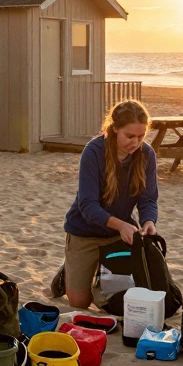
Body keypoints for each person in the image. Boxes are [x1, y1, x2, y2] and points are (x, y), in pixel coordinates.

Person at [50, 99, 160, 309]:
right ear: (115, 128)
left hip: (117, 238)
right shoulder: (93, 152)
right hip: (84, 232)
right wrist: (121, 225)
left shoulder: (147, 154)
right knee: (80, 302)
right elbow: (87, 206)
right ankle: (70, 269)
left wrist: (148, 221)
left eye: (141, 136)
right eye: (129, 136)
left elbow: (148, 198)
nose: (135, 143)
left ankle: (91, 272)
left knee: (112, 302)